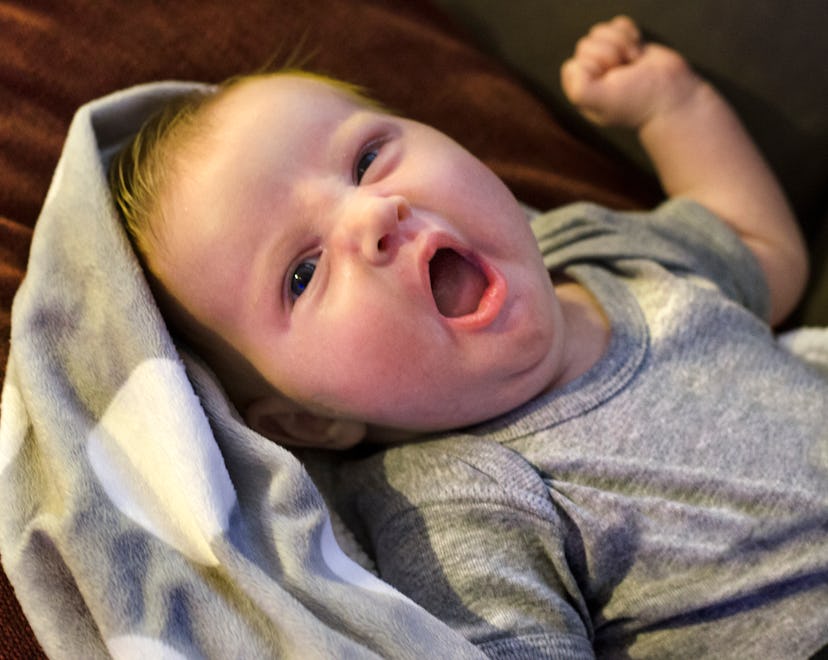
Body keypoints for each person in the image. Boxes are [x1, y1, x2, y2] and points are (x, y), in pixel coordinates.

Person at [109, 16, 827, 658]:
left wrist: (676, 107)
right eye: (302, 273)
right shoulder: (460, 505)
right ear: (309, 419)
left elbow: (759, 250)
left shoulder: (605, 255)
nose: (373, 215)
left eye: (365, 161)